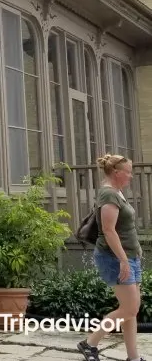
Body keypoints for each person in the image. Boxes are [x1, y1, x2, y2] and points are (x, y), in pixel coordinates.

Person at [77, 154, 145, 361]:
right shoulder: (108, 194)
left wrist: (135, 252)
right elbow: (108, 230)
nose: (131, 176)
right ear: (116, 172)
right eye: (128, 172)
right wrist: (123, 260)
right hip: (115, 258)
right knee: (129, 308)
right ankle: (89, 343)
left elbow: (124, 228)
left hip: (129, 256)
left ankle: (133, 357)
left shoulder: (117, 193)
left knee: (130, 311)